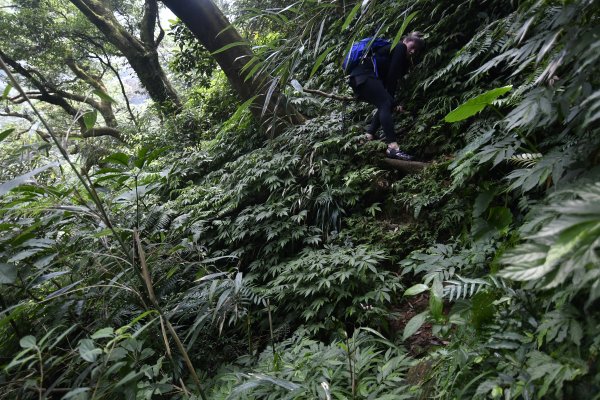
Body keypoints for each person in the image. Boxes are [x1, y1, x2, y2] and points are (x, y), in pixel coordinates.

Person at [347, 32, 425, 160]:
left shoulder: (393, 55)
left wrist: (392, 102)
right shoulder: (400, 47)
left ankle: (367, 137)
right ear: (405, 41)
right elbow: (392, 77)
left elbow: (387, 83)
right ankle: (393, 147)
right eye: (412, 46)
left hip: (359, 79)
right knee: (385, 103)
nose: (412, 51)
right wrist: (393, 102)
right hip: (363, 76)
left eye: (416, 51)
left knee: (384, 104)